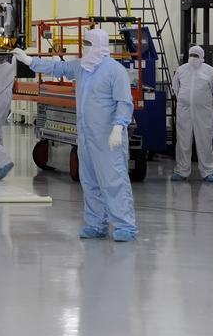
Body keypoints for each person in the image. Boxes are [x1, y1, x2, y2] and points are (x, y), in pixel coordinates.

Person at [14, 29, 138, 242]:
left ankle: (125, 225)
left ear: (100, 45)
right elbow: (57, 67)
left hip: (108, 138)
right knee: (89, 181)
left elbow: (124, 102)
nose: (84, 48)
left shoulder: (114, 70)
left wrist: (119, 127)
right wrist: (29, 61)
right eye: (84, 43)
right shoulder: (82, 67)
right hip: (86, 136)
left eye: (88, 44)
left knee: (113, 181)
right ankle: (96, 224)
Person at [171, 45, 213, 183]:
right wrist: (183, 101)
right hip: (184, 111)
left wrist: (206, 103)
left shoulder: (210, 71)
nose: (193, 58)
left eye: (196, 56)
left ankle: (208, 171)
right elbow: (175, 88)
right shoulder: (181, 70)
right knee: (183, 141)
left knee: (205, 141)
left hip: (203, 112)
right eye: (191, 55)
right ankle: (181, 171)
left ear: (202, 57)